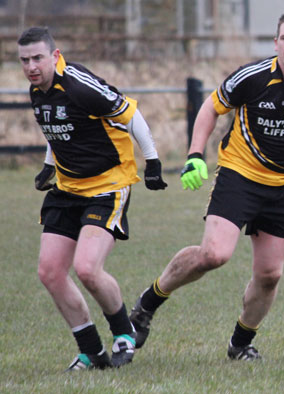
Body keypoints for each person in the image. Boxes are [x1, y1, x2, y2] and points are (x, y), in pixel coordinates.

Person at [129, 9, 284, 360]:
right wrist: (196, 154)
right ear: (275, 43)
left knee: (270, 274)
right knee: (214, 254)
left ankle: (240, 344)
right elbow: (210, 109)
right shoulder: (253, 77)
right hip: (239, 174)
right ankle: (147, 305)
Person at [17, 26, 167, 371]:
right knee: (50, 272)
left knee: (86, 268)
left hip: (107, 186)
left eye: (38, 57)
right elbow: (59, 129)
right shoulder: (37, 90)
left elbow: (130, 114)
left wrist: (153, 161)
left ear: (55, 56)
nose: (31, 66)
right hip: (67, 189)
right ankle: (92, 351)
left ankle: (124, 333)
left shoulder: (79, 85)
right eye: (24, 60)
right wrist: (48, 165)